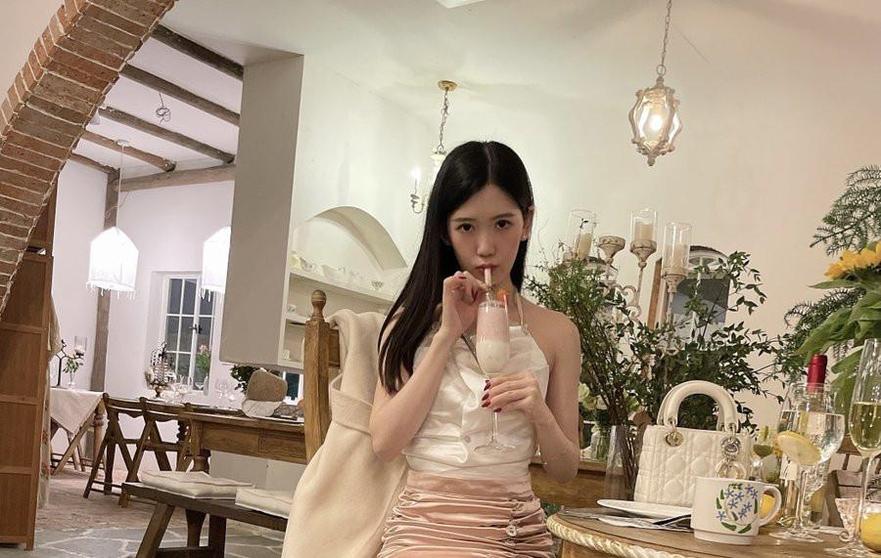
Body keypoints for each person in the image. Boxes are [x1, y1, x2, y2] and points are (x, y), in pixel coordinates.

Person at [370, 140, 581, 557]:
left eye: (502, 223)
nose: (485, 247)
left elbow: (564, 470)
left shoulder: (557, 332)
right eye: (466, 227)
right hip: (425, 530)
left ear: (527, 222)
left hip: (515, 530)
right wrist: (446, 336)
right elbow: (386, 444)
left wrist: (538, 412)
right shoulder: (411, 324)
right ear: (444, 232)